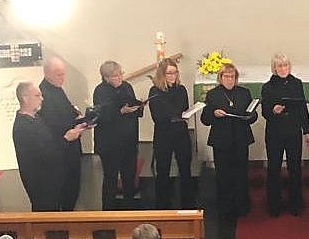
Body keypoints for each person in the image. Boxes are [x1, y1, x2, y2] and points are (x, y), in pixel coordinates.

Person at [13, 81, 86, 211]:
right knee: (46, 217)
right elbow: (45, 152)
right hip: (41, 182)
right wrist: (67, 138)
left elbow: (50, 141)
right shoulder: (23, 126)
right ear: (25, 98)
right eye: (37, 95)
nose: (42, 99)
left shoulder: (36, 118)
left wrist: (76, 128)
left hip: (51, 178)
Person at [201, 63, 257, 231]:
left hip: (240, 139)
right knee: (223, 175)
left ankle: (241, 206)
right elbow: (205, 119)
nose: (230, 79)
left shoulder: (244, 93)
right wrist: (214, 114)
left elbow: (252, 116)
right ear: (220, 78)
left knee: (241, 173)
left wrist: (249, 116)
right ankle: (225, 209)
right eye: (226, 76)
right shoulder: (213, 95)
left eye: (232, 76)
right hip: (221, 141)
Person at [260, 53, 309, 216]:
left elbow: (302, 107)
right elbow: (264, 113)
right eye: (280, 66)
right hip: (275, 131)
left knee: (295, 167)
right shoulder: (267, 87)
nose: (283, 69)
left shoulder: (297, 83)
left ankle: (295, 203)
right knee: (274, 168)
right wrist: (273, 110)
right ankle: (274, 204)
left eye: (286, 66)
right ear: (274, 68)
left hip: (293, 130)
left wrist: (307, 130)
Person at [92, 61, 142, 210]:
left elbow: (132, 103)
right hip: (110, 144)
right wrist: (120, 112)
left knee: (129, 177)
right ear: (106, 78)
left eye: (121, 73)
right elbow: (101, 115)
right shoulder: (100, 91)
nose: (120, 77)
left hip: (128, 141)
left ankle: (129, 208)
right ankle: (108, 211)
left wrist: (138, 107)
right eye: (115, 75)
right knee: (111, 178)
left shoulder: (127, 87)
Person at [149, 58, 196, 209]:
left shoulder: (181, 89)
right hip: (164, 134)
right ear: (162, 74)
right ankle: (163, 206)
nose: (173, 75)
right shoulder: (155, 91)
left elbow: (184, 108)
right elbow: (157, 116)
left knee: (185, 169)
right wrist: (174, 114)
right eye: (169, 73)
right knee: (163, 170)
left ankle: (188, 205)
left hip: (181, 133)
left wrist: (178, 114)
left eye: (175, 72)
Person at [37, 57, 83, 210]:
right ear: (47, 73)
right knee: (64, 191)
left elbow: (68, 111)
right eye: (58, 74)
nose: (62, 78)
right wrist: (74, 123)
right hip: (60, 150)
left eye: (63, 74)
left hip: (70, 146)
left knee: (73, 188)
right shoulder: (43, 93)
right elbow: (51, 123)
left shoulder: (57, 89)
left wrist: (80, 119)